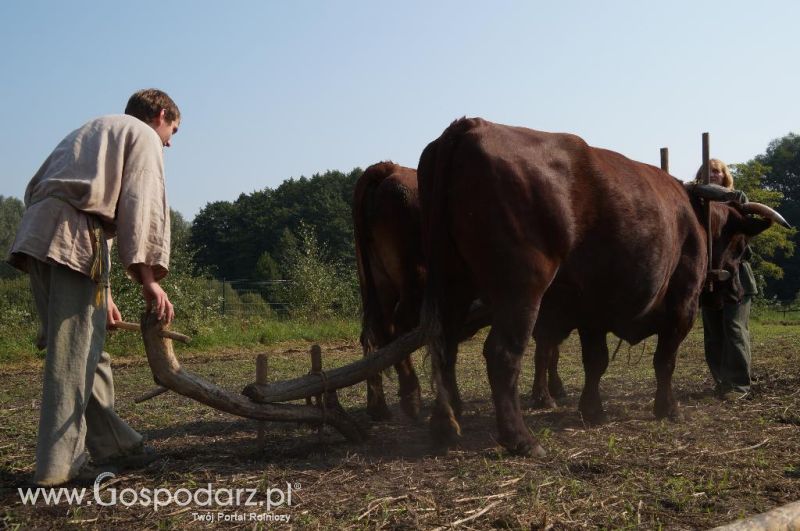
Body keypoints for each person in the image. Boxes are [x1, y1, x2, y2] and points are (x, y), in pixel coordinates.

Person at [6, 89, 180, 486]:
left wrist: (107, 294)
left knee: (87, 349)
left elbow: (72, 197)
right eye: (173, 131)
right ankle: (60, 467)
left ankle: (115, 444)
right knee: (74, 355)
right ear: (163, 114)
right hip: (70, 237)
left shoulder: (97, 128)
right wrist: (149, 279)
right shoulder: (143, 134)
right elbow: (141, 205)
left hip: (40, 235)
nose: (169, 142)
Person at [696, 158, 757, 399]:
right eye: (707, 171)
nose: (713, 175)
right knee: (713, 333)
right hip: (708, 276)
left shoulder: (738, 199)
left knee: (734, 328)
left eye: (717, 171)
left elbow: (742, 243)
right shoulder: (696, 200)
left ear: (725, 176)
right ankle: (721, 382)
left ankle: (739, 385)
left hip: (736, 276)